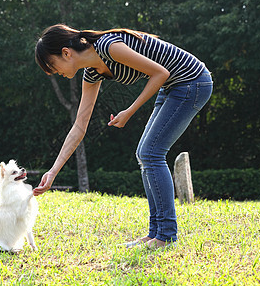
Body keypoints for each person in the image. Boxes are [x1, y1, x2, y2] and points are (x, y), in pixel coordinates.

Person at [33, 24, 213, 248]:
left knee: (151, 153)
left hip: (192, 81)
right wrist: (53, 172)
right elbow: (80, 126)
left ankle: (166, 236)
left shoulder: (108, 47)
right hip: (170, 86)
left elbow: (161, 72)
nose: (55, 72)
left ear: (66, 53)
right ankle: (155, 234)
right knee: (145, 153)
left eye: (53, 65)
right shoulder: (91, 73)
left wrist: (129, 111)